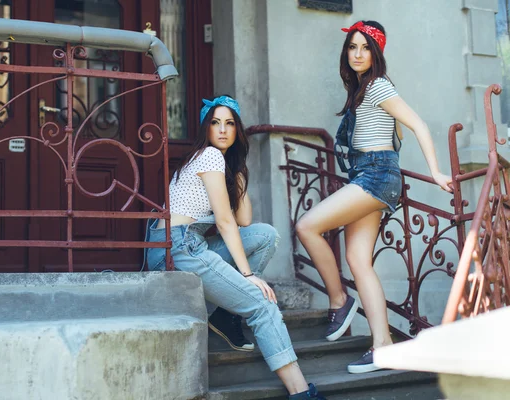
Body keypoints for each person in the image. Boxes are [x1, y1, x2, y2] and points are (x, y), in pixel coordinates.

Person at [295, 21, 453, 374]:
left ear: (376, 53)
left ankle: (339, 300)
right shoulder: (362, 90)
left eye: (365, 48)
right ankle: (382, 345)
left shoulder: (379, 86)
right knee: (357, 258)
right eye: (352, 47)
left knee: (307, 226)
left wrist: (436, 172)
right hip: (367, 172)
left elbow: (418, 124)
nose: (357, 54)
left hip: (376, 174)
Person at [146, 95, 326, 399]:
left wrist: (237, 169)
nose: (222, 130)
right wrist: (247, 275)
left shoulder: (218, 162)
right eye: (215, 123)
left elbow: (245, 219)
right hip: (180, 248)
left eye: (230, 123)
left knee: (265, 235)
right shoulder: (208, 156)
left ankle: (224, 312)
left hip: (179, 246)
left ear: (237, 130)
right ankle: (302, 393)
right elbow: (227, 222)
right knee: (263, 304)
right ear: (206, 128)